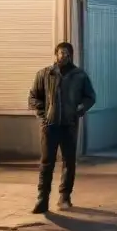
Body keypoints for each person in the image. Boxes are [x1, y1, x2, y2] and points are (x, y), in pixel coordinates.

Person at [28, 42, 96, 213]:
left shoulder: (79, 75)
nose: (63, 55)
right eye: (60, 52)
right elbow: (33, 97)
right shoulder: (45, 74)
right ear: (55, 54)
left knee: (69, 162)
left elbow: (90, 97)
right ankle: (42, 199)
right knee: (46, 163)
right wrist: (43, 116)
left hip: (69, 125)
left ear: (71, 55)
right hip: (49, 126)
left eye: (66, 53)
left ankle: (64, 197)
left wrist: (79, 110)